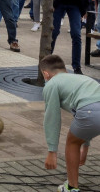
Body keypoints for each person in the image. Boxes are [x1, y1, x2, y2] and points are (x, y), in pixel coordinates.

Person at [40, 55, 100, 192]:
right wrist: (85, 148)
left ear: (45, 74)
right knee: (77, 135)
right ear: (64, 70)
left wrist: (52, 151)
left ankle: (72, 187)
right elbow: (87, 116)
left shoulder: (52, 84)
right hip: (91, 109)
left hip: (89, 111)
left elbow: (52, 117)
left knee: (72, 142)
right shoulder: (80, 78)